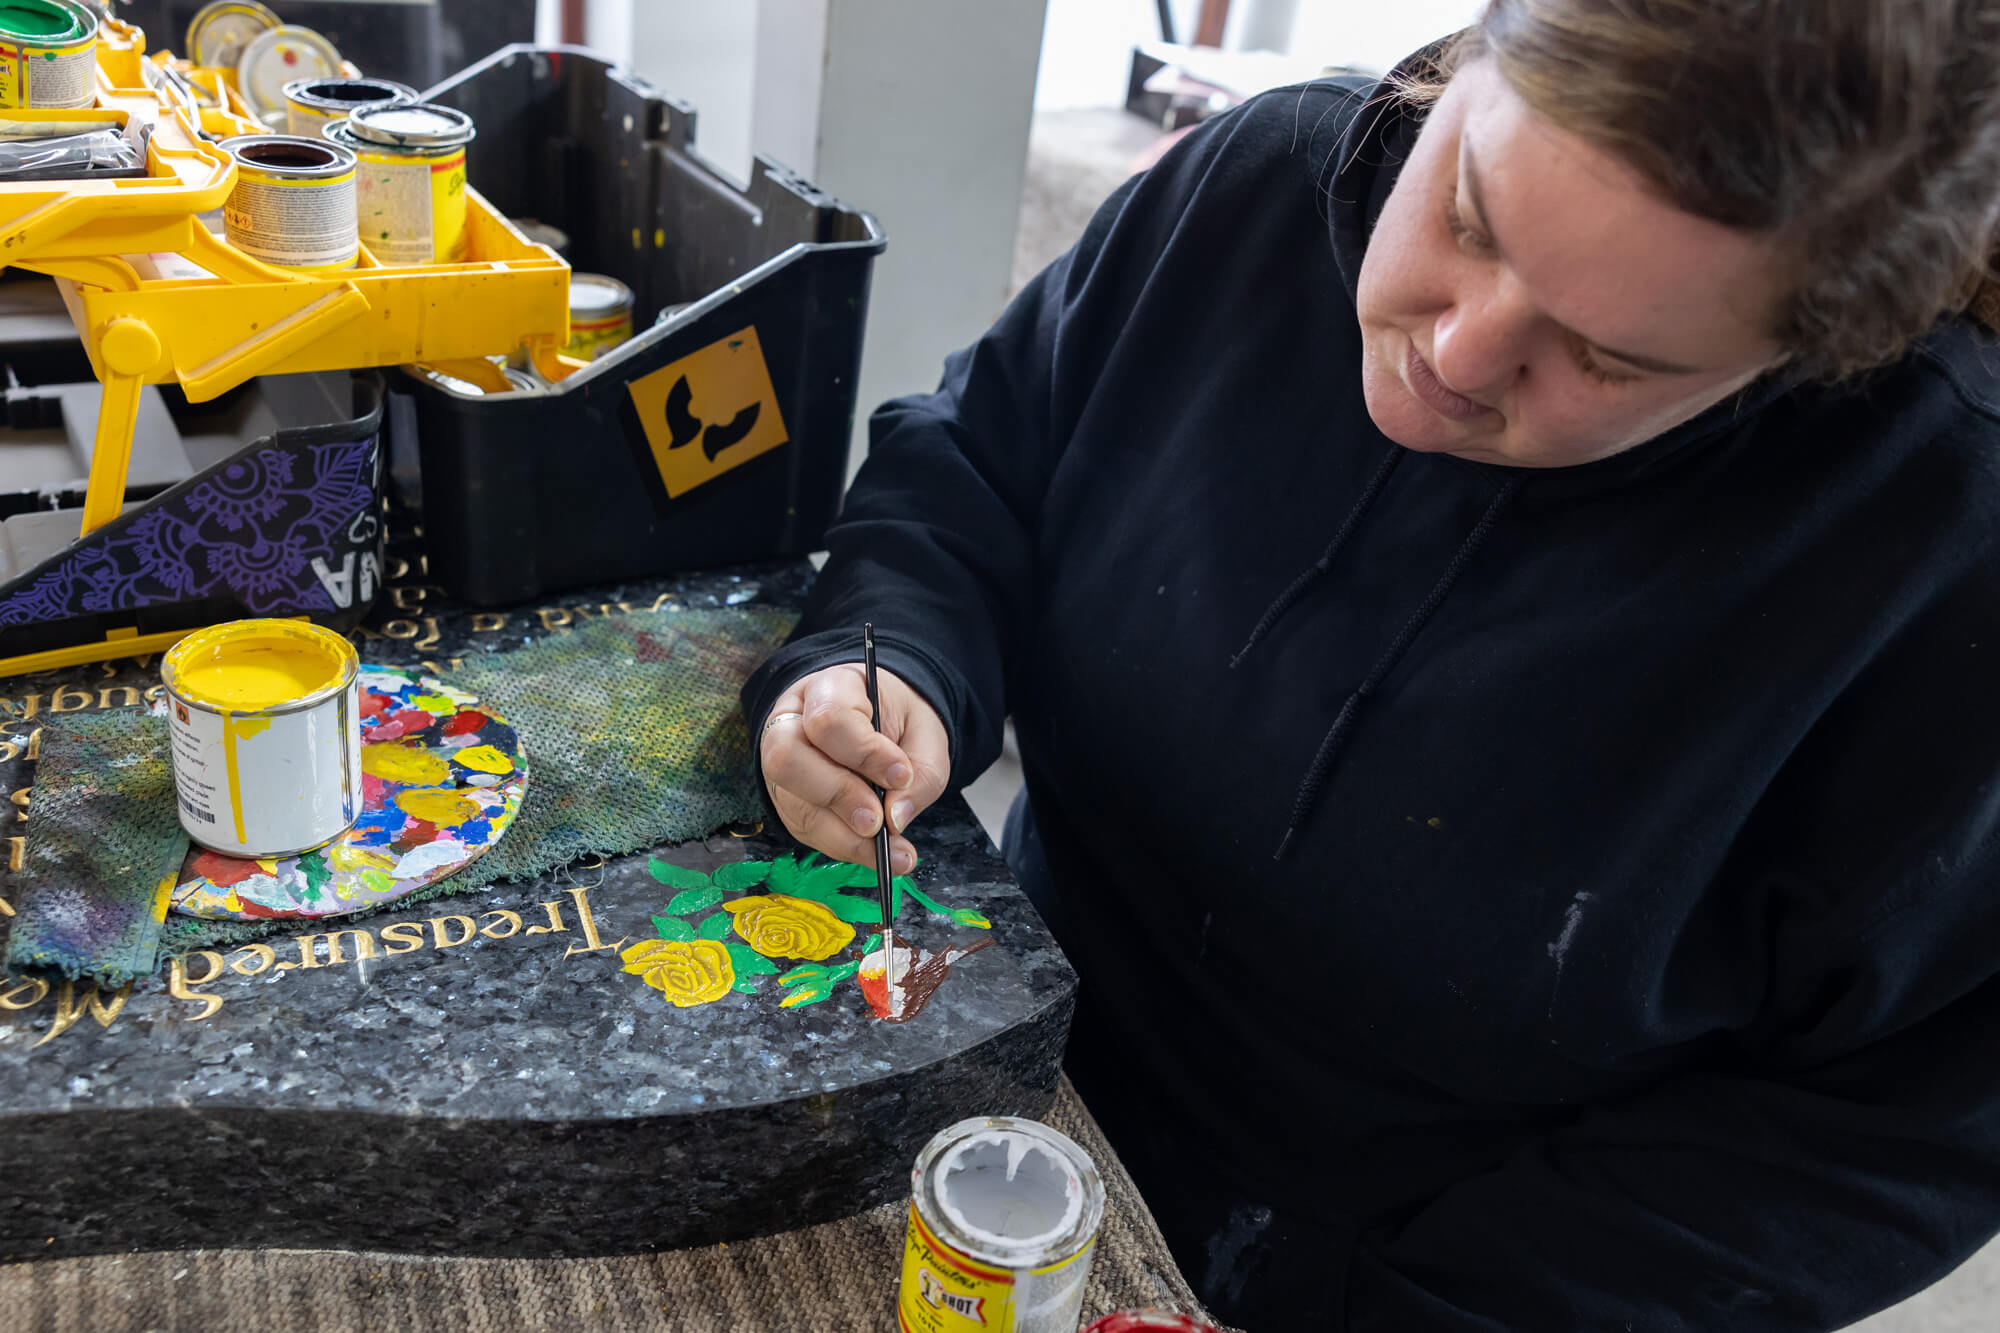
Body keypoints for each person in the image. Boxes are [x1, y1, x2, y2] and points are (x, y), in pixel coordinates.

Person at [743, 1, 2000, 1326]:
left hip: (1415, 1263)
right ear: (1461, 71)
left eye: (1610, 357)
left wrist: (1423, 1304)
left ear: (1810, 354)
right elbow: (976, 461)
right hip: (999, 1044)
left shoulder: (1940, 567)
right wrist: (888, 660)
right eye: (1467, 215)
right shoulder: (1253, 190)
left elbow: (1902, 1128)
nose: (1452, 356)